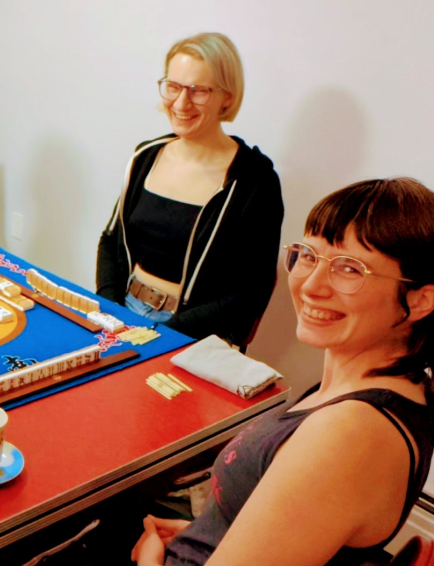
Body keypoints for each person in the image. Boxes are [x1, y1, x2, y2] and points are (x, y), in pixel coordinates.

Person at [132, 178, 434, 566]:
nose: (310, 285)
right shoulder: (384, 386)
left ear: (421, 299)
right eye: (308, 254)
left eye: (349, 269)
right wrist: (216, 529)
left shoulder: (349, 433)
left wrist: (151, 561)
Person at [96, 32, 283, 346]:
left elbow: (252, 288)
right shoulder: (146, 157)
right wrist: (110, 309)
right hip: (126, 314)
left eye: (198, 91)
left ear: (228, 96)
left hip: (196, 336)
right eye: (173, 86)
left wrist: (169, 333)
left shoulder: (252, 181)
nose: (181, 103)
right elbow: (111, 240)